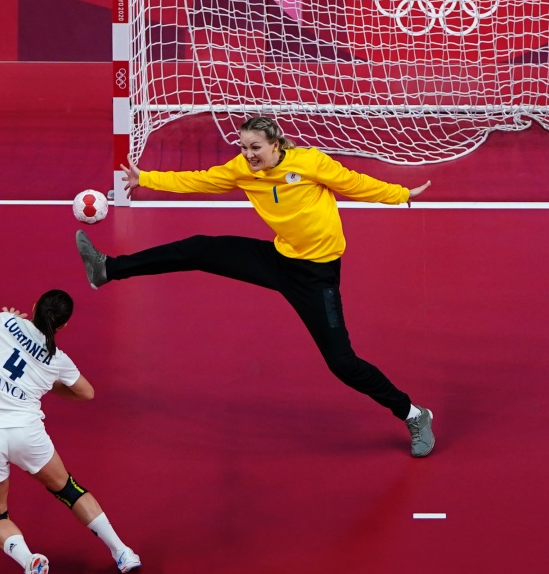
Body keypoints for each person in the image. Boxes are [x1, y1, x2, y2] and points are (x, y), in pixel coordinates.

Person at [75, 117, 436, 457]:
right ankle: (108, 268)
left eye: (255, 147)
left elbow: (354, 183)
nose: (248, 155)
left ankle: (413, 414)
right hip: (277, 259)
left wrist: (400, 194)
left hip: (316, 275)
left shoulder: (310, 163)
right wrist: (148, 179)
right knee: (200, 248)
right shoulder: (243, 170)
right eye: (243, 146)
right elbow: (203, 179)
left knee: (342, 362)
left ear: (276, 145)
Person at [0, 289, 141, 574]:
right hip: (26, 433)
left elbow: (6, 325)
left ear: (33, 307)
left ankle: (28, 560)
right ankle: (122, 552)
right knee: (68, 489)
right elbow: (86, 392)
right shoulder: (56, 359)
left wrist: (13, 318)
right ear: (64, 326)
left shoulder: (3, 321)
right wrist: (49, 385)